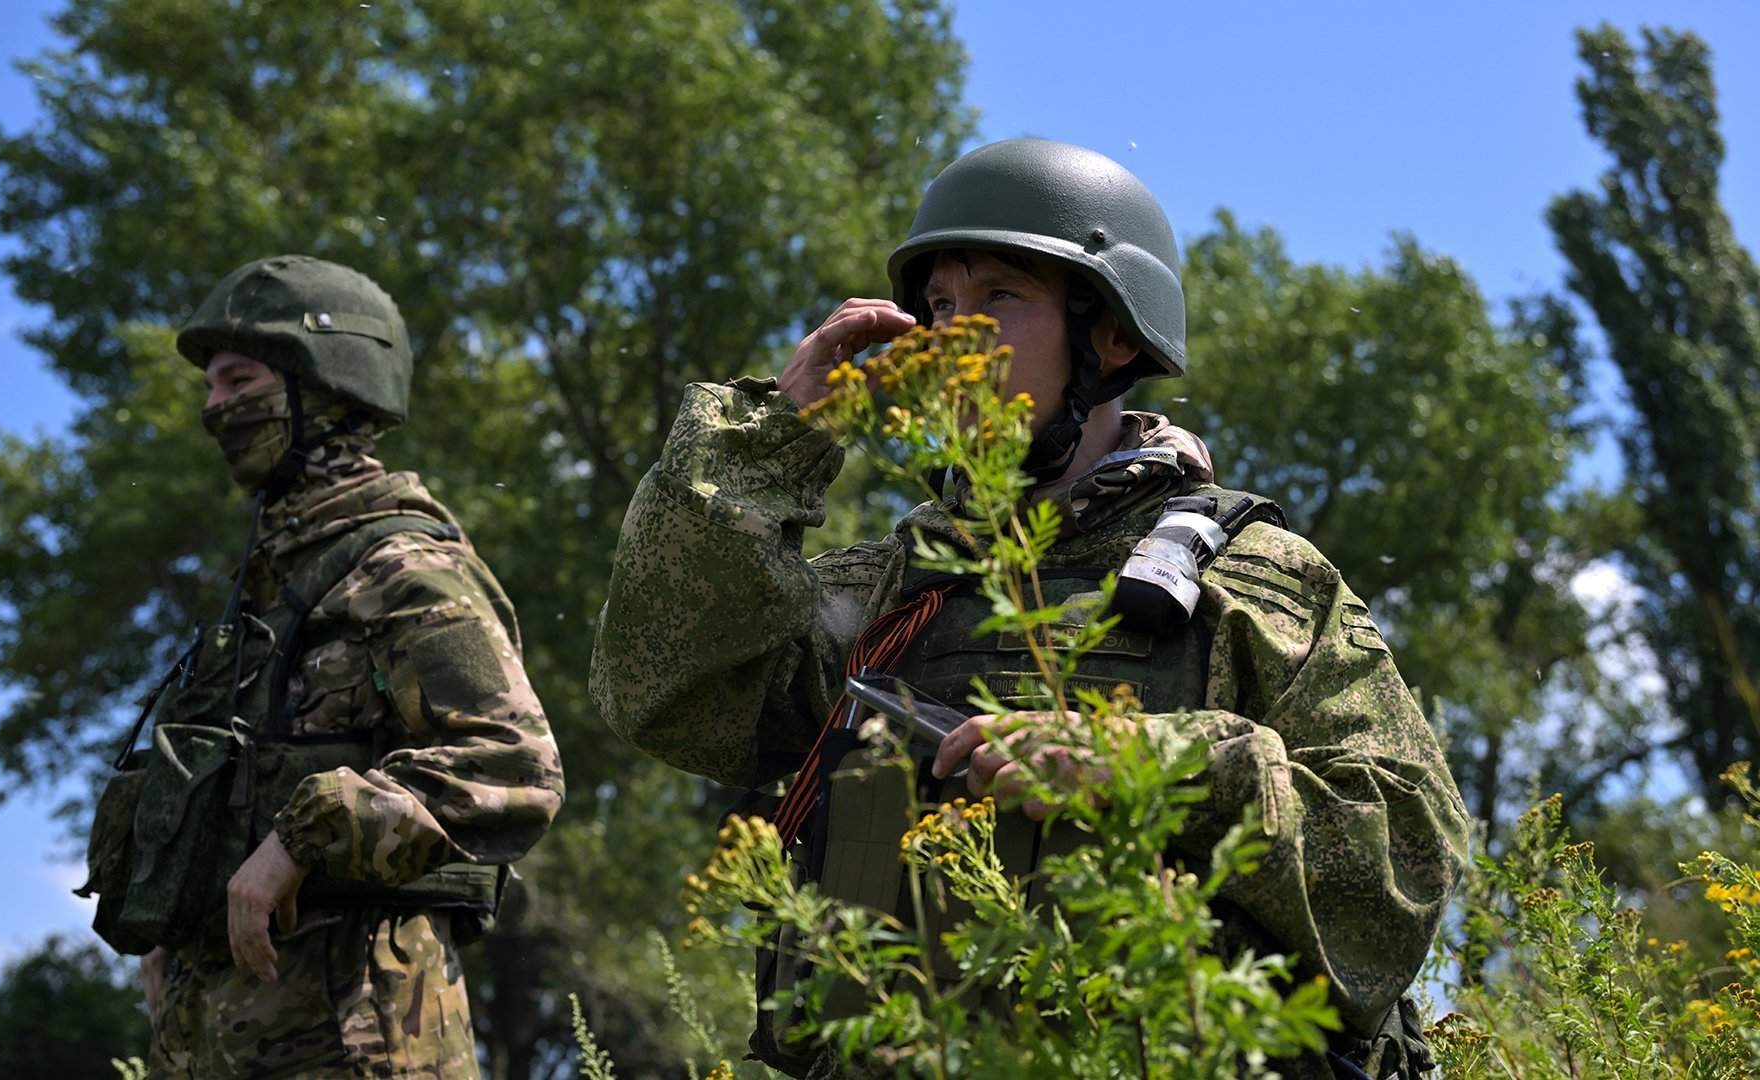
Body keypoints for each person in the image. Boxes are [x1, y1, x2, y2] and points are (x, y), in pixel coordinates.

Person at [589, 140, 1469, 1078]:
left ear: (1113, 337)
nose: (953, 338)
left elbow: (1404, 859)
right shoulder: (891, 591)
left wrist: (1150, 764)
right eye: (939, 307)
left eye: (1000, 298)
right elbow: (662, 690)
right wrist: (770, 440)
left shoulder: (1252, 583)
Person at [77, 254, 565, 1078]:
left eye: (237, 381)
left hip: (359, 1033)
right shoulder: (269, 590)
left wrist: (297, 841)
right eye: (209, 389)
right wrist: (171, 925)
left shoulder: (405, 567)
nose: (214, 408)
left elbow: (514, 765)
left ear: (325, 381)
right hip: (218, 1035)